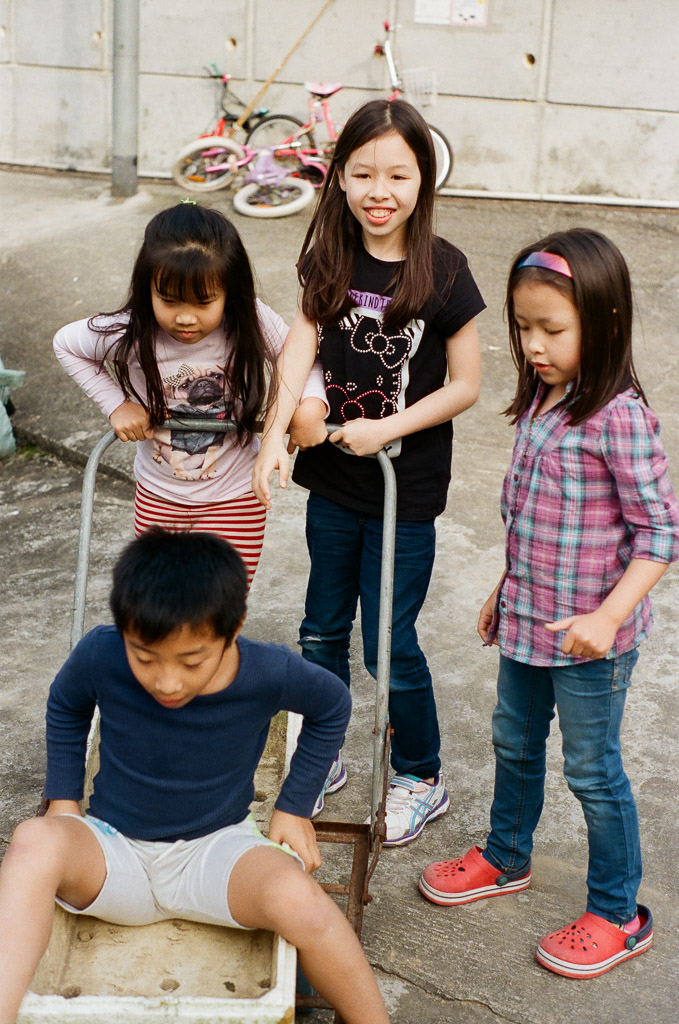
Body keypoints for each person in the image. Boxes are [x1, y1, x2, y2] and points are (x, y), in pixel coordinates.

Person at [419, 228, 679, 979]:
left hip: (591, 641)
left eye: (552, 330)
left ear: (605, 322)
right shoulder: (543, 395)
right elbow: (533, 512)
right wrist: (505, 587)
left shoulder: (619, 417)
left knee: (592, 772)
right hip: (528, 622)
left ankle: (617, 913)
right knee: (514, 742)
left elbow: (660, 534)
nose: (533, 345)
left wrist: (606, 617)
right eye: (522, 326)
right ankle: (507, 856)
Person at [0, 529, 390, 1024]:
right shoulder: (102, 652)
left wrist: (293, 807)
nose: (167, 681)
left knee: (302, 901)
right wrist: (62, 798)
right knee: (33, 840)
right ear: (123, 629)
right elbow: (66, 703)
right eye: (145, 657)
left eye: (191, 661)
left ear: (234, 628)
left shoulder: (267, 670)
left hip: (217, 853)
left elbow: (332, 705)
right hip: (112, 851)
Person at [252, 99, 486, 846]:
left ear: (423, 180)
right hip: (333, 484)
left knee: (389, 642)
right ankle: (322, 754)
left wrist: (388, 426)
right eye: (361, 174)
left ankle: (420, 774)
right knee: (321, 630)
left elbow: (466, 384)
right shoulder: (327, 257)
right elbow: (299, 349)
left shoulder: (445, 270)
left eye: (397, 174)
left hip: (403, 493)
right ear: (339, 179)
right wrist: (275, 435)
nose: (378, 191)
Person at [53, 202, 326, 586]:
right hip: (158, 496)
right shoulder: (132, 331)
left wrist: (310, 407)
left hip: (234, 496)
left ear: (229, 292)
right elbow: (66, 344)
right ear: (147, 288)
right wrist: (117, 405)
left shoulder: (248, 320)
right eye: (168, 300)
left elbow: (301, 357)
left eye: (203, 302)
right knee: (160, 601)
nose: (184, 317)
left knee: (222, 604)